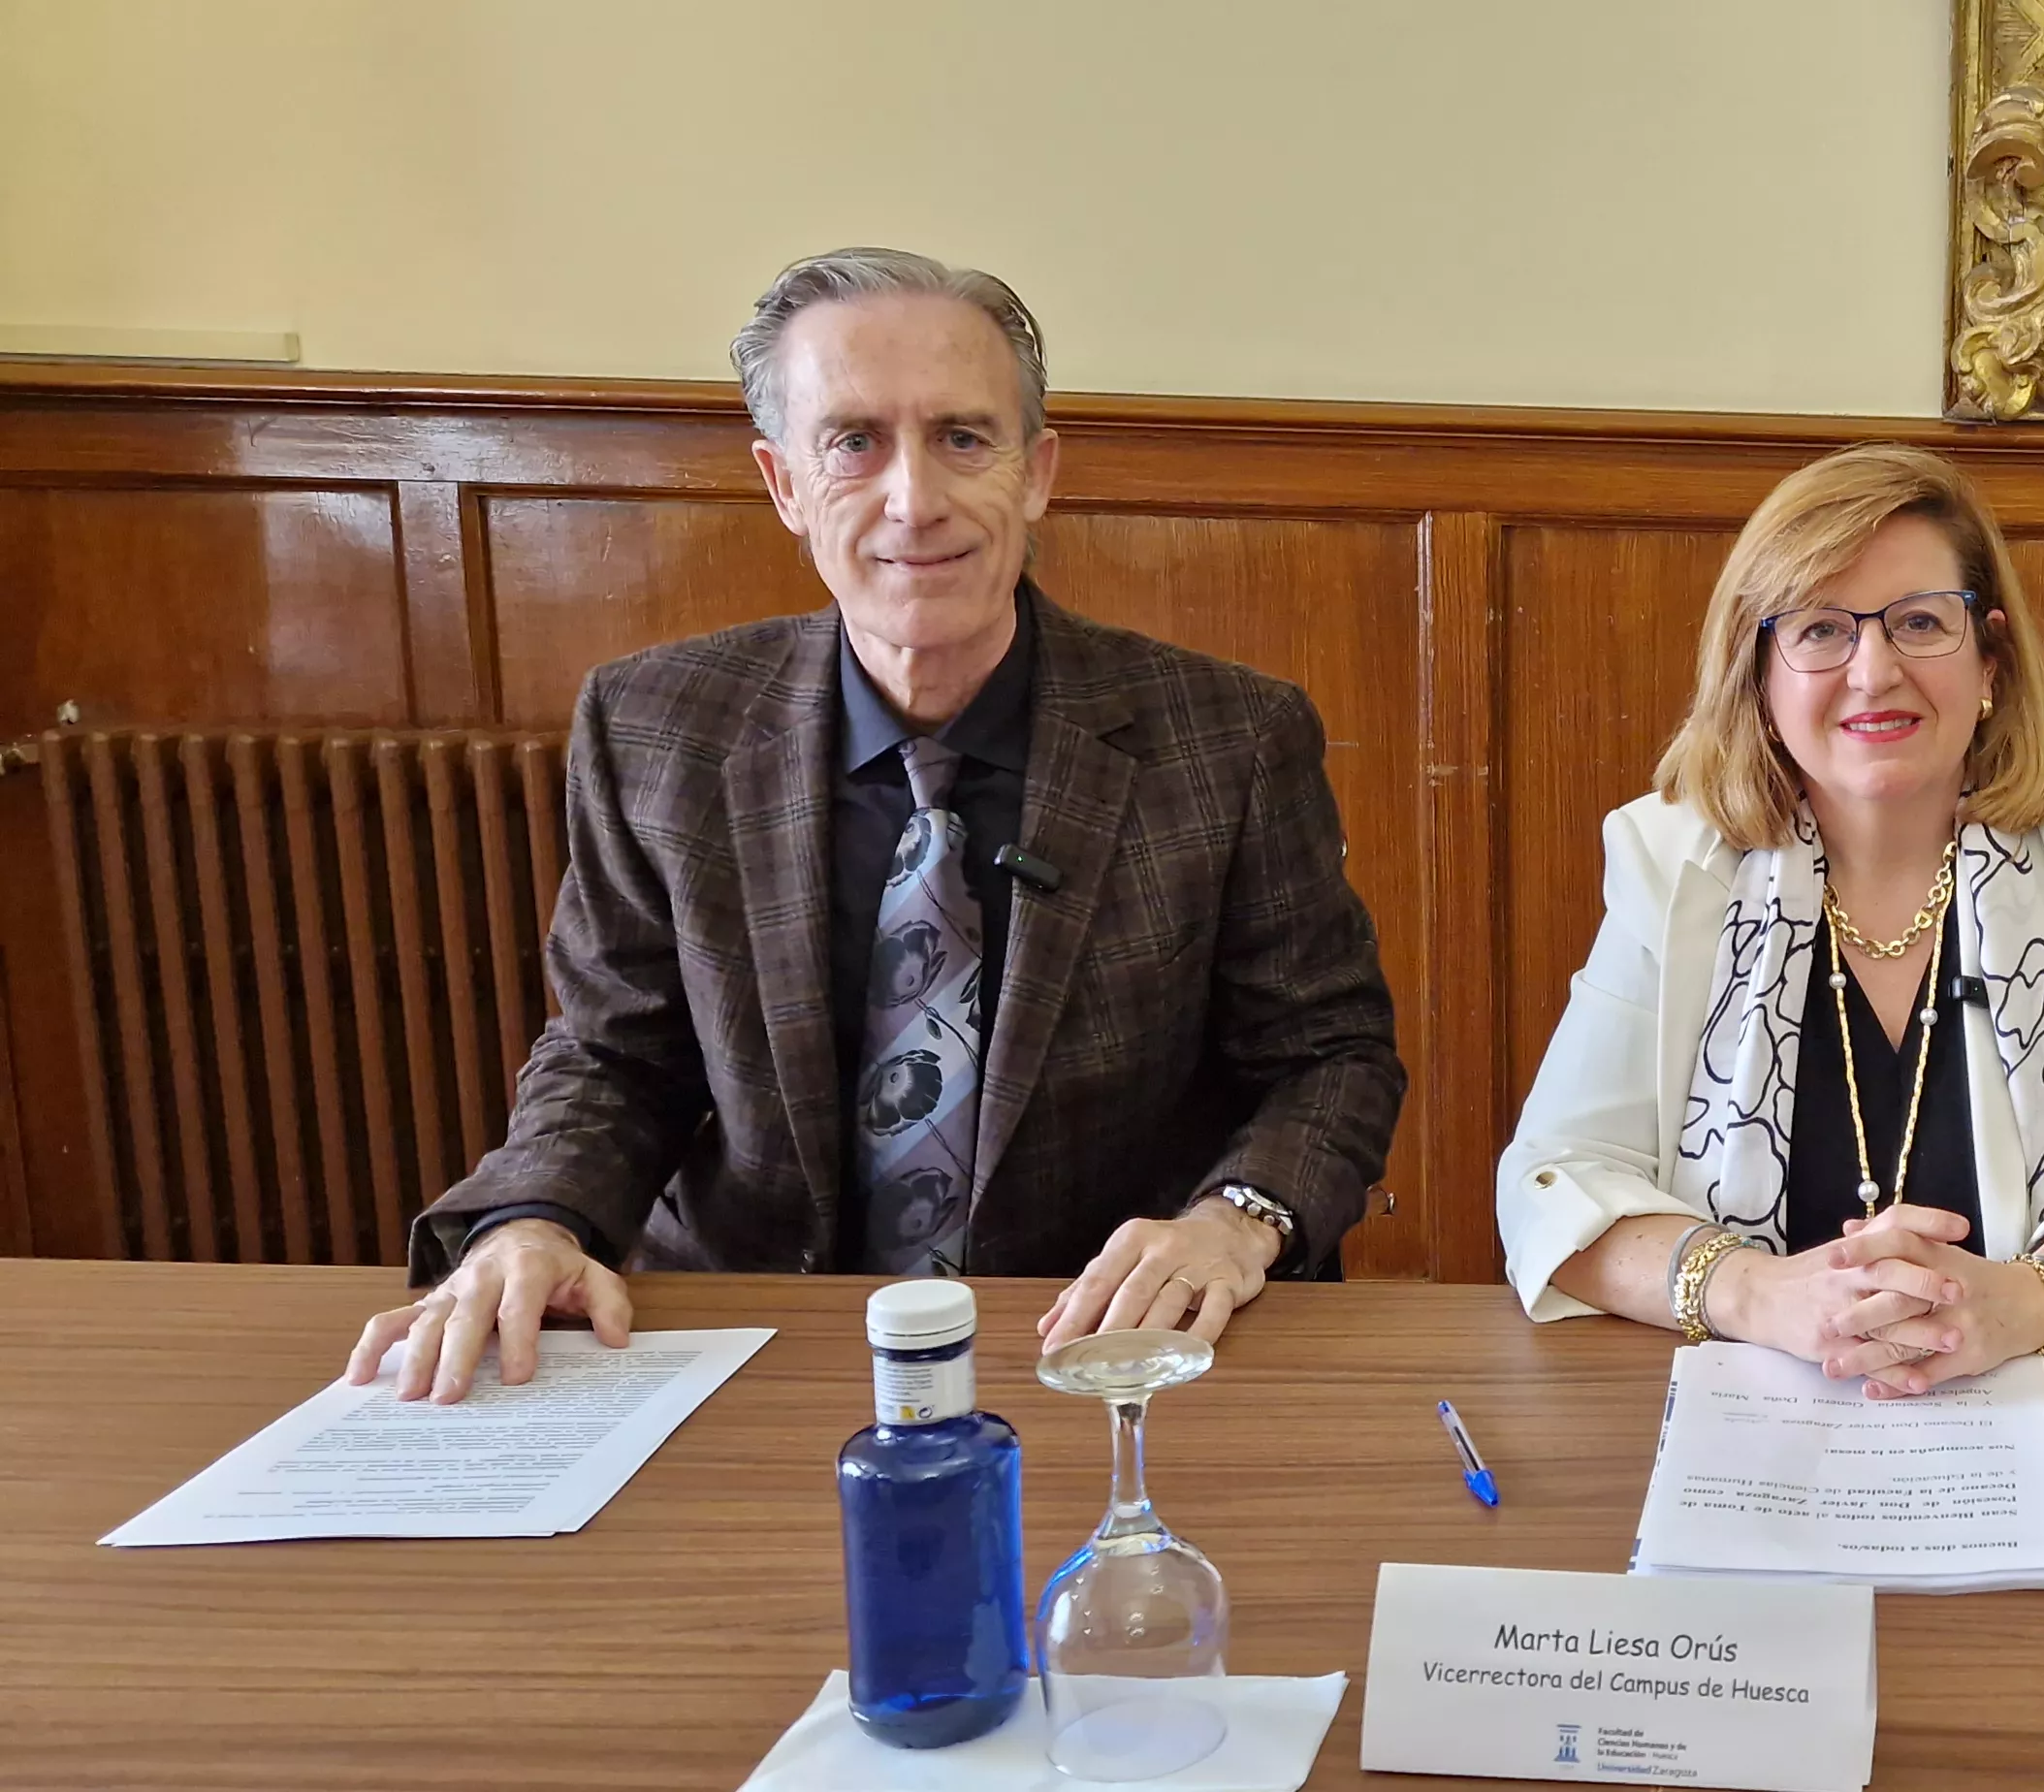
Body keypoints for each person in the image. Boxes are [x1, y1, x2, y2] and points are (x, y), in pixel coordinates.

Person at [344, 248, 1406, 1402]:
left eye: (962, 438)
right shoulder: (654, 727)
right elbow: (615, 1050)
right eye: (853, 442)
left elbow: (1328, 1054)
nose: (915, 499)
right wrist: (537, 1219)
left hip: (1096, 1340)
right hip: (759, 1335)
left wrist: (1236, 1220)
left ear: (1037, 473)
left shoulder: (1228, 737)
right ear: (785, 483)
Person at [1498, 444, 2044, 1394]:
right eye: (1821, 630)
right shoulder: (1673, 865)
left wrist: (2027, 1303)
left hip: (2029, 1417)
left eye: (1918, 623)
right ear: (1761, 685)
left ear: (1989, 660)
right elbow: (1551, 1181)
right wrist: (1756, 1295)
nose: (1872, 669)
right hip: (1746, 1424)